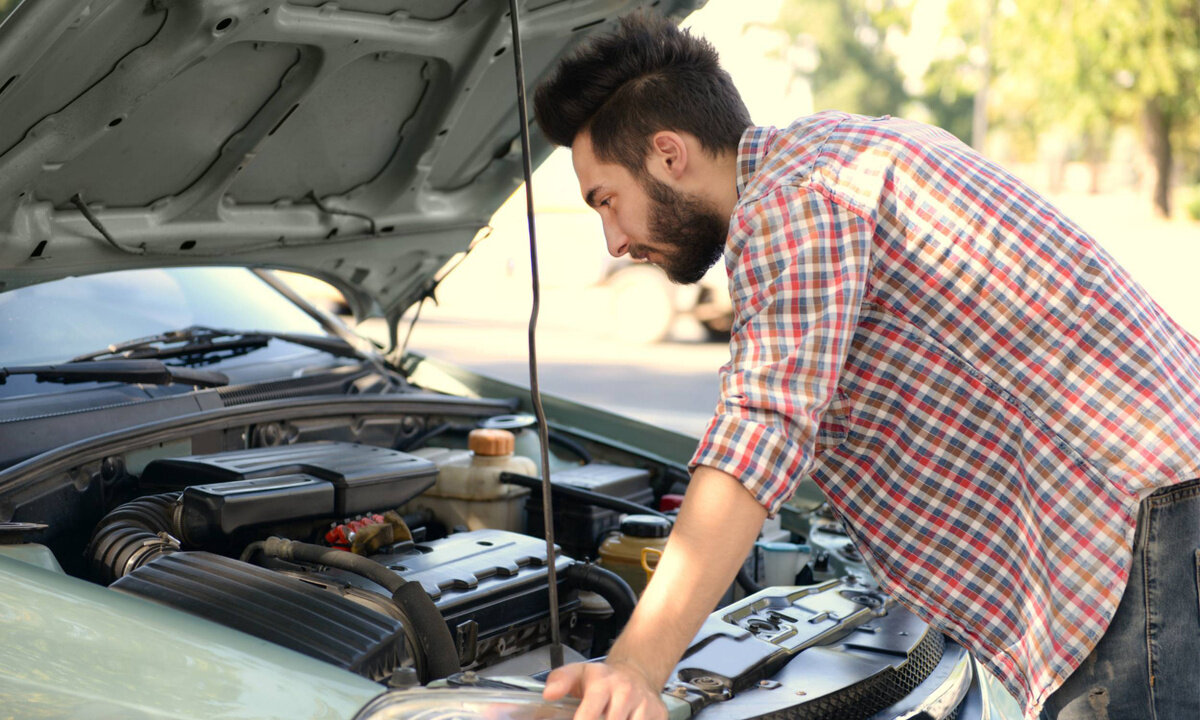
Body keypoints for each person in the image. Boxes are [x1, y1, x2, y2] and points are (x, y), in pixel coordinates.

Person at [531, 12, 1200, 720]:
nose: (612, 241)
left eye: (607, 200)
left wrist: (635, 663)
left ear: (669, 155)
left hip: (1127, 523)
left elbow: (763, 425)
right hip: (1143, 510)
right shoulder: (835, 154)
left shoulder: (795, 198)